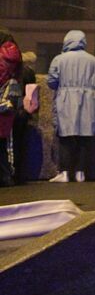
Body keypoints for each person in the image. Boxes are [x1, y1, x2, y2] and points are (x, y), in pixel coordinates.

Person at [46, 29, 95, 183]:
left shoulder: (59, 59)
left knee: (65, 135)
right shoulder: (94, 60)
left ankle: (64, 172)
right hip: (88, 99)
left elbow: (51, 81)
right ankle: (81, 172)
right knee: (85, 136)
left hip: (65, 99)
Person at [11, 51, 40, 183]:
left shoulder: (9, 70)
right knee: (21, 143)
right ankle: (20, 174)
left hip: (8, 108)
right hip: (22, 111)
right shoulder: (28, 72)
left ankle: (8, 173)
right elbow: (31, 92)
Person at [0, 28, 22, 187]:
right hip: (8, 105)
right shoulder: (15, 57)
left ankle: (6, 178)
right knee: (4, 143)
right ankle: (7, 176)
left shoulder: (1, 57)